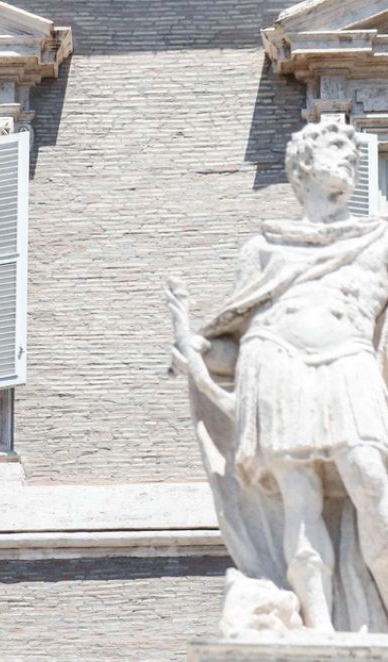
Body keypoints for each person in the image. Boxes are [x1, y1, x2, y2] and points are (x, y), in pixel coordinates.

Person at [168, 120, 388, 632]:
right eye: (337, 147)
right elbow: (232, 344)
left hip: (348, 364)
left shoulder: (378, 243)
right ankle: (322, 629)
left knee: (373, 481)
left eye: (357, 153)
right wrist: (197, 351)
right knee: (300, 496)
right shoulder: (262, 250)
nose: (351, 157)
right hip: (276, 366)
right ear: (304, 166)